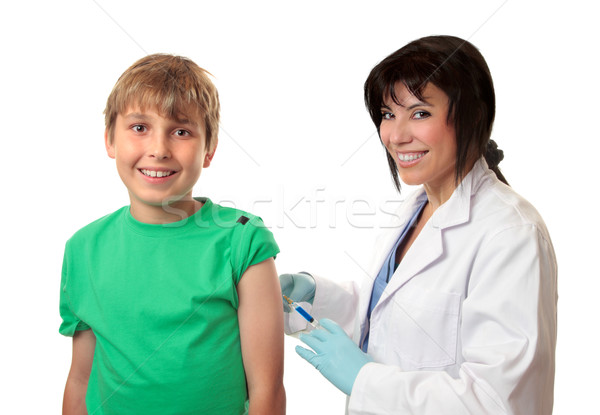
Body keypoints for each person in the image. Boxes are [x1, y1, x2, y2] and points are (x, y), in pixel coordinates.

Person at [280, 35, 557, 414]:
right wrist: (314, 297)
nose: (396, 135)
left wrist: (364, 379)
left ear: (472, 116)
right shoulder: (417, 206)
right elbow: (395, 316)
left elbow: (497, 402)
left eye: (420, 113)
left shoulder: (511, 235)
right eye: (388, 114)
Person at [59, 54, 286, 415]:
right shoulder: (83, 249)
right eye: (139, 128)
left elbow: (267, 389)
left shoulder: (242, 240)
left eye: (181, 131)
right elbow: (80, 380)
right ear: (109, 140)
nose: (159, 150)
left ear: (209, 149)